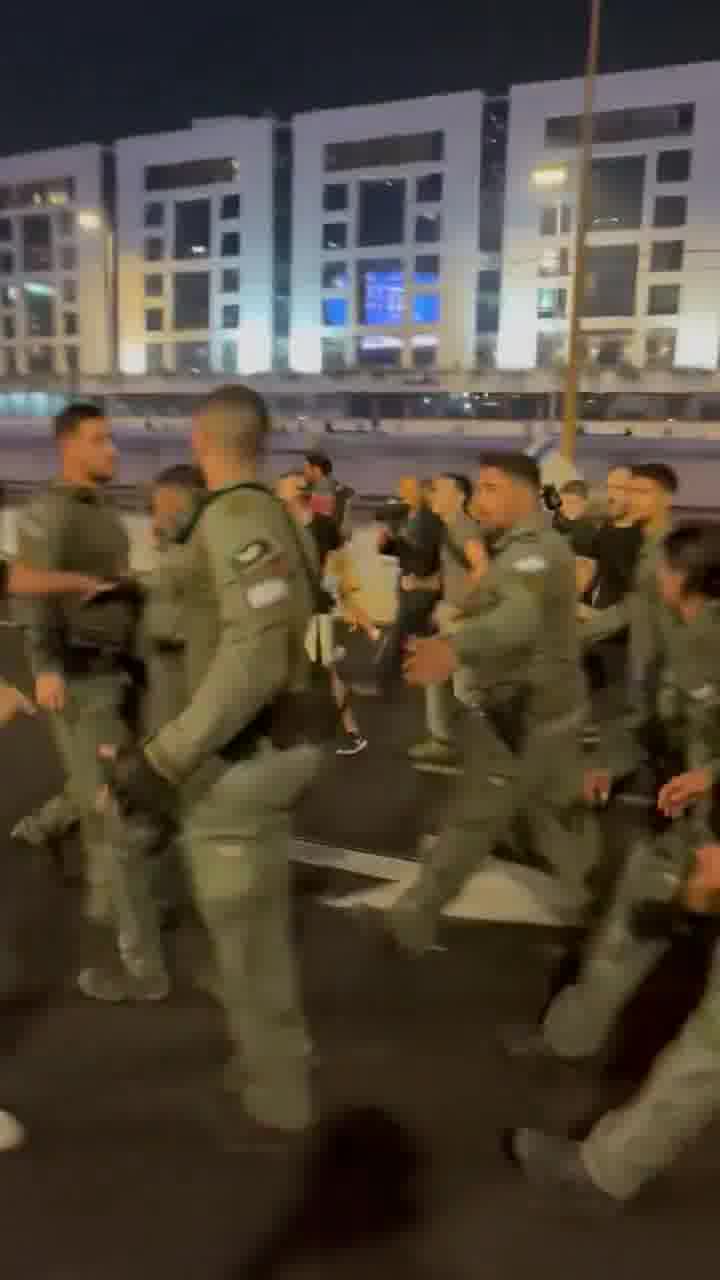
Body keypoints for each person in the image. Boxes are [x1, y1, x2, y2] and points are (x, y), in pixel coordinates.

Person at [98, 384, 320, 1146]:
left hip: (241, 756)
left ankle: (279, 1094)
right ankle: (273, 1059)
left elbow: (254, 657)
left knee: (249, 938)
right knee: (246, 930)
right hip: (264, 747)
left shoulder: (237, 517)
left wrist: (163, 758)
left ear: (201, 438)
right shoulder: (270, 515)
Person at [508, 523, 720, 1206]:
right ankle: (568, 1038)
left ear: (686, 577)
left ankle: (605, 1173)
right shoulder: (683, 633)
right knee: (628, 926)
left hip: (711, 834)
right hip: (686, 827)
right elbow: (661, 722)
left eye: (662, 566)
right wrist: (612, 765)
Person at [388, 454, 599, 954]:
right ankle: (600, 910)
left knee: (476, 819)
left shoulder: (533, 552)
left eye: (489, 489)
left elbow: (518, 620)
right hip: (548, 712)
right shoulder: (525, 550)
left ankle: (414, 915)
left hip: (524, 719)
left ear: (524, 494)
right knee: (557, 815)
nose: (476, 500)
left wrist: (453, 648)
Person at [12, 404, 148, 925]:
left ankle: (43, 828)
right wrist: (44, 665)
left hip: (118, 668)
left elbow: (107, 583)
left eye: (110, 439)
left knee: (110, 775)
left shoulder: (104, 511)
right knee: (103, 796)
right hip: (78, 671)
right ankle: (110, 912)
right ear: (68, 446)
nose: (111, 449)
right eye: (99, 440)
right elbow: (31, 593)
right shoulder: (49, 513)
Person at [277, 471, 371, 755]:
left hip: (317, 611)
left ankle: (349, 732)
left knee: (326, 673)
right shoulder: (283, 527)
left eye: (282, 489)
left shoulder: (323, 527)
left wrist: (346, 600)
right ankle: (303, 731)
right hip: (291, 610)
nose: (278, 494)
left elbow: (339, 567)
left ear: (295, 493)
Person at [407, 474, 486, 773]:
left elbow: (482, 570)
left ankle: (515, 743)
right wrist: (421, 584)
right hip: (450, 614)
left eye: (439, 489)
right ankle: (442, 741)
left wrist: (463, 609)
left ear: (460, 497)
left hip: (464, 618)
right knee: (434, 675)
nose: (432, 494)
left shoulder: (465, 528)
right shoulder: (449, 528)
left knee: (467, 691)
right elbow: (450, 576)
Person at [374, 477, 444, 693]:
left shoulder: (428, 520)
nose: (401, 493)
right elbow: (410, 552)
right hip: (412, 588)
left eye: (407, 490)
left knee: (398, 633)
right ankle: (424, 677)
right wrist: (388, 545)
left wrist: (397, 544)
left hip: (418, 589)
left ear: (421, 493)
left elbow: (422, 560)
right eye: (401, 488)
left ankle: (382, 680)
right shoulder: (412, 517)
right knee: (419, 632)